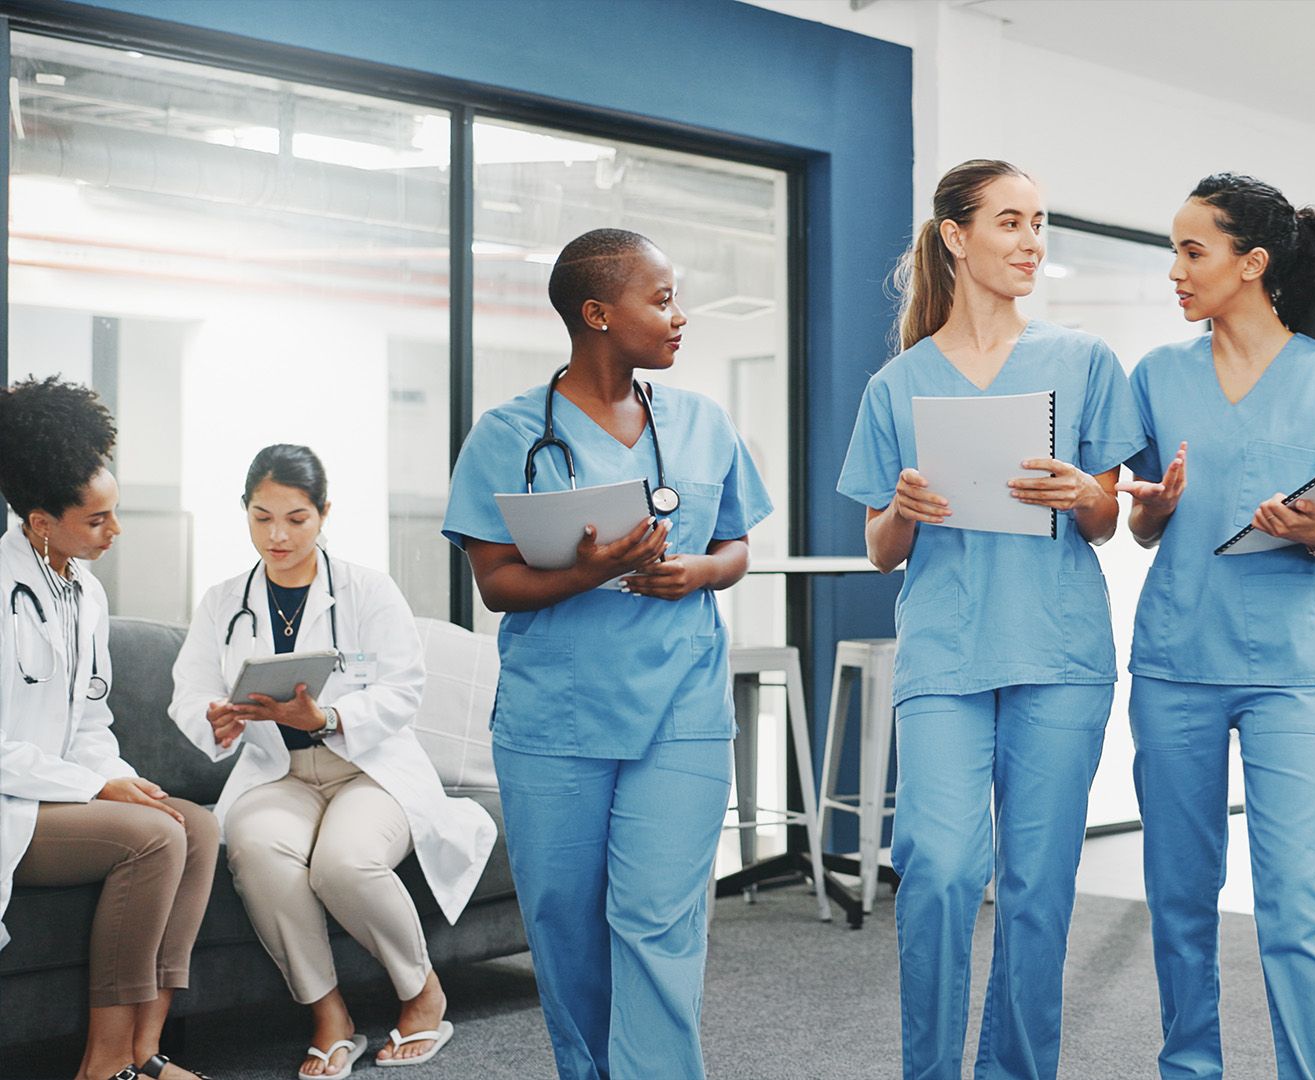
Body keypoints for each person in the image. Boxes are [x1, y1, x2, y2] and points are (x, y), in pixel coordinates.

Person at [837, 159, 1145, 1080]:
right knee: (935, 871)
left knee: (1037, 889)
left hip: (1058, 649)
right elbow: (880, 549)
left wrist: (1085, 489)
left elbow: (1106, 523)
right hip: (944, 650)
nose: (1031, 242)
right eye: (1009, 223)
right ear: (956, 236)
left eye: (1039, 223)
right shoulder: (898, 384)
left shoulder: (1083, 361)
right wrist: (902, 508)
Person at [441, 228, 770, 1080]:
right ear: (596, 314)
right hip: (557, 719)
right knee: (567, 928)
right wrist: (587, 572)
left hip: (682, 714)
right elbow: (496, 584)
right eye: (660, 300)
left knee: (659, 922)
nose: (679, 316)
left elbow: (734, 546)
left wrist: (699, 569)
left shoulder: (702, 422)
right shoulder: (509, 435)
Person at [1116, 174, 1315, 1080]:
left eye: (1192, 251)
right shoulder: (1157, 377)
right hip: (1174, 664)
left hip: (1289, 674)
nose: (1175, 270)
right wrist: (1156, 508)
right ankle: (1188, 1069)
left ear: (1252, 263)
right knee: (1180, 900)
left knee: (1298, 904)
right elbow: (1140, 522)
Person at [168, 444, 496, 1076]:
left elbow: (402, 689)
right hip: (277, 773)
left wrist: (328, 719)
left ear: (323, 514)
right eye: (261, 517)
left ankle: (422, 990)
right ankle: (329, 1014)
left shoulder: (367, 591)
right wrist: (215, 716)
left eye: (295, 518)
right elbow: (190, 690)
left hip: (366, 769)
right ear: (244, 513)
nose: (277, 534)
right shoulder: (221, 602)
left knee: (343, 864)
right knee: (258, 851)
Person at [0, 377, 218, 1080]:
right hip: (13, 805)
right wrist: (96, 784)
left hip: (60, 795)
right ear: (39, 522)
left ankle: (145, 1054)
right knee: (154, 837)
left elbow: (91, 716)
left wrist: (115, 777)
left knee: (197, 826)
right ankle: (102, 1066)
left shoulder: (83, 593)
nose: (114, 532)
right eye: (97, 521)